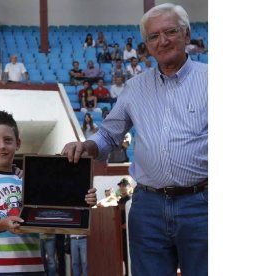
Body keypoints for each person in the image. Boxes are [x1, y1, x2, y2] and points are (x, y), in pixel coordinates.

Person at [61, 3, 208, 276]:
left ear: (187, 35)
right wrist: (86, 146)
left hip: (202, 204)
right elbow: (107, 135)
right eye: (153, 36)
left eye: (170, 32)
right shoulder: (134, 88)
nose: (162, 41)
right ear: (147, 46)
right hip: (148, 207)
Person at [0, 109, 97, 275]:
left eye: (8, 140)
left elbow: (57, 212)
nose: (1, 146)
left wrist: (84, 201)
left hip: (32, 269)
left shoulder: (28, 182)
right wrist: (3, 223)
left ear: (18, 143)